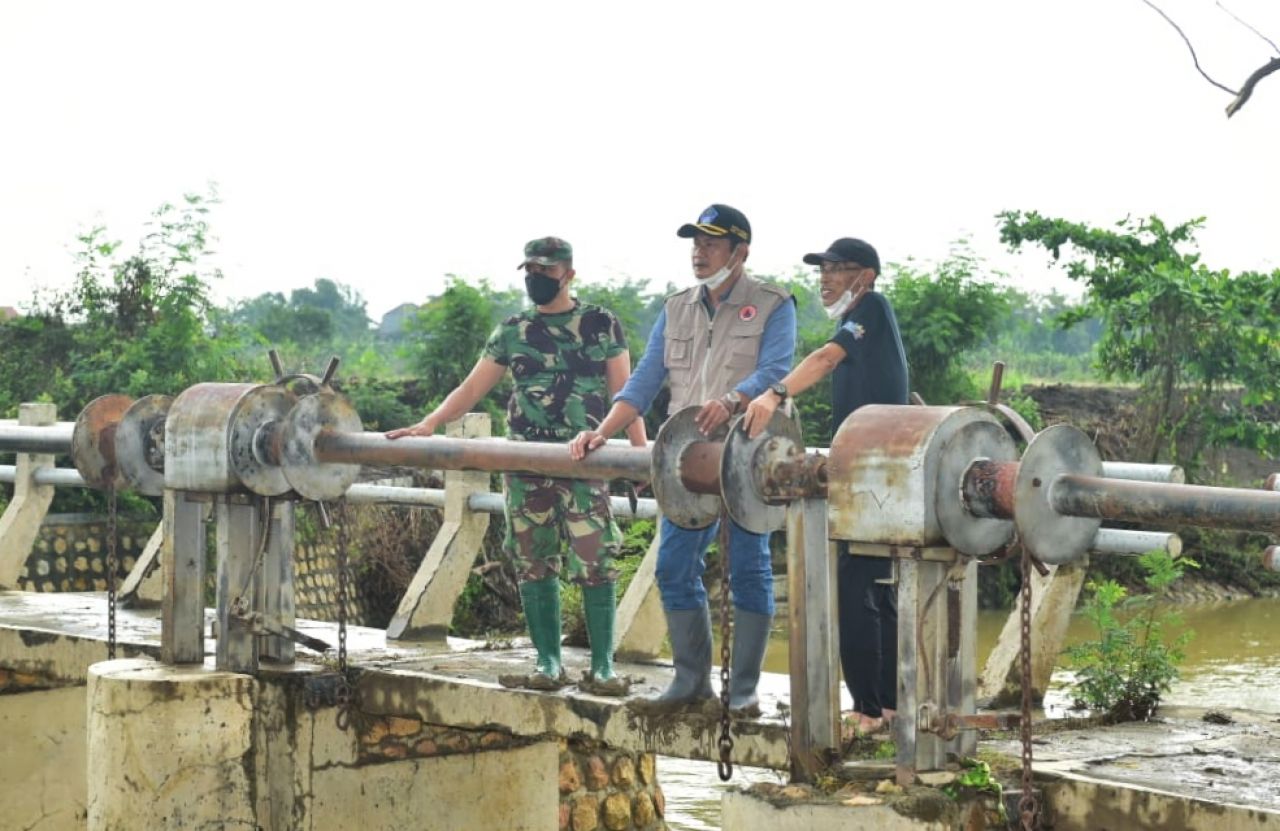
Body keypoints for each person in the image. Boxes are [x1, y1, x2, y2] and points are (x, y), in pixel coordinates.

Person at [387, 237, 646, 695]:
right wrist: (429, 424)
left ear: (568, 274)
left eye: (545, 272)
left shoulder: (600, 323)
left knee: (596, 559)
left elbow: (627, 395)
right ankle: (548, 665)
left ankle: (602, 668)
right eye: (529, 270)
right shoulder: (513, 329)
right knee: (531, 560)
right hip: (524, 461)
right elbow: (471, 389)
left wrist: (640, 456)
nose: (535, 279)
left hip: (584, 459)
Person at [569, 204, 796, 715]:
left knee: (749, 570)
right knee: (673, 567)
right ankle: (691, 680)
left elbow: (778, 368)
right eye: (695, 242)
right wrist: (602, 432)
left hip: (746, 454)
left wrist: (735, 400)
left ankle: (744, 691)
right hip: (683, 461)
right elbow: (645, 380)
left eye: (711, 243)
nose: (699, 252)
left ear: (740, 252)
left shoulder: (772, 304)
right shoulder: (676, 308)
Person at [741, 237, 908, 734]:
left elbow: (825, 358)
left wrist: (775, 393)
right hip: (874, 466)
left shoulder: (870, 309)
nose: (827, 277)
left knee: (859, 590)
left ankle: (868, 712)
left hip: (872, 470)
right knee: (877, 590)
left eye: (840, 268)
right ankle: (888, 706)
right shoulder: (861, 318)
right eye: (824, 269)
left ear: (868, 275)